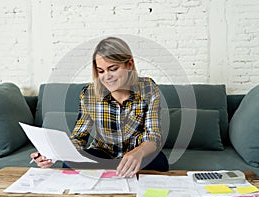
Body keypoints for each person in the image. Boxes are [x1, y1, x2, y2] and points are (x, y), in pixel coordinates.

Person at [30, 37, 169, 177]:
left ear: (130, 64)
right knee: (68, 163)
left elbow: (153, 135)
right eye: (101, 71)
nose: (106, 77)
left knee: (160, 162)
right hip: (103, 154)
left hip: (137, 153)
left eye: (113, 69)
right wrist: (53, 154)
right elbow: (79, 137)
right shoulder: (90, 93)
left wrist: (139, 153)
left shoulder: (148, 88)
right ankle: (117, 170)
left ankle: (115, 170)